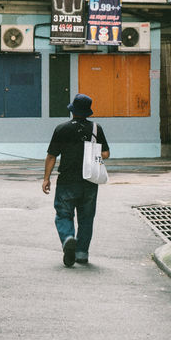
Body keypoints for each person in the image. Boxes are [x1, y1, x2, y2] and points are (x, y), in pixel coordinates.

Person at [42, 94, 109, 267]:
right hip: (89, 181)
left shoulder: (62, 129)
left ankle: (68, 238)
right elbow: (106, 154)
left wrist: (46, 179)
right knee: (86, 219)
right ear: (87, 111)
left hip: (67, 181)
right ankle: (81, 253)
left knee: (64, 214)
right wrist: (91, 151)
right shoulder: (96, 128)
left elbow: (51, 156)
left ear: (72, 111)